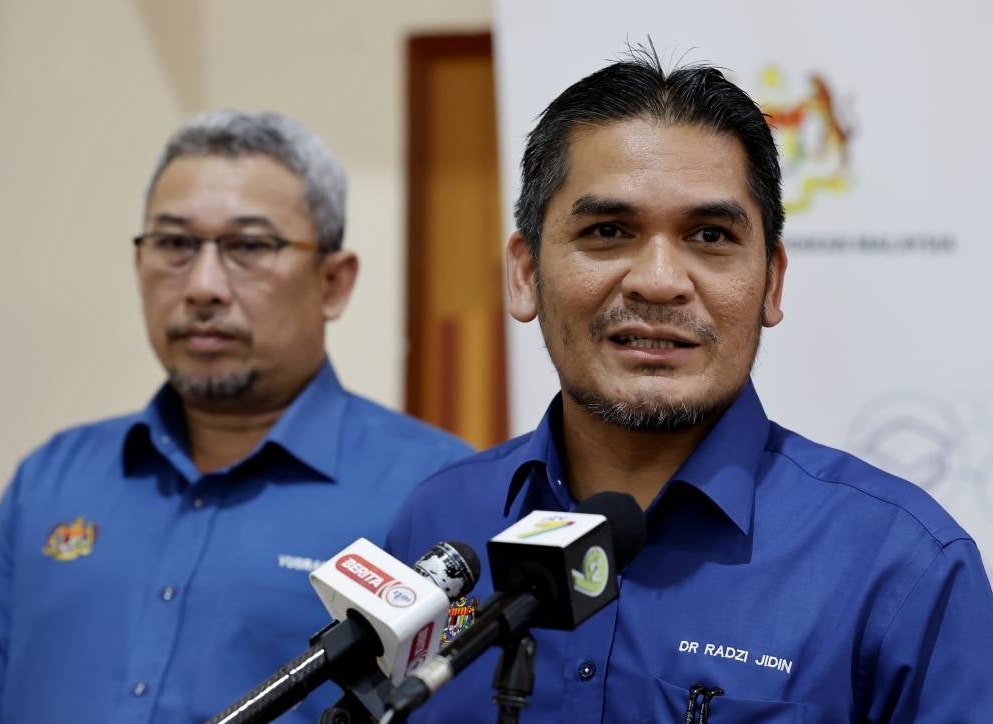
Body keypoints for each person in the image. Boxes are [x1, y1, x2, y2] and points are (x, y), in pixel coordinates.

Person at [386, 49, 993, 722]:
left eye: (709, 235)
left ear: (772, 282)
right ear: (526, 275)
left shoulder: (902, 568)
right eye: (609, 231)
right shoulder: (440, 523)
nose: (659, 280)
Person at [0, 111, 472, 723]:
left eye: (249, 246)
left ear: (333, 282)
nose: (203, 285)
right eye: (174, 245)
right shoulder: (51, 480)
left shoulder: (435, 495)